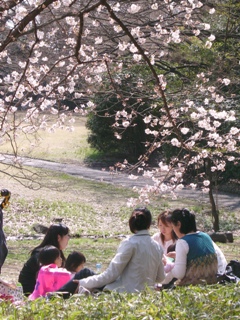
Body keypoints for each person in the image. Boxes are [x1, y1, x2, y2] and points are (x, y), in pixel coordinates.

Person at [58, 207, 165, 294]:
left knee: (84, 273)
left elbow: (111, 274)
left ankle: (52, 297)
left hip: (124, 292)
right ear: (149, 224)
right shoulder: (157, 246)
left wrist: (83, 282)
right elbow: (160, 277)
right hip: (146, 293)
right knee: (88, 275)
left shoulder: (130, 243)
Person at [162, 208, 226, 286]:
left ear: (178, 224)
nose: (173, 230)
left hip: (194, 285)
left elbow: (179, 274)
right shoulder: (205, 236)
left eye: (173, 227)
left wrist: (169, 266)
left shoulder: (183, 242)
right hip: (212, 282)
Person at [18, 223, 70, 296]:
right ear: (58, 237)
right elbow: (42, 280)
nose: (68, 238)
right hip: (31, 293)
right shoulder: (44, 254)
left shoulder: (53, 252)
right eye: (67, 236)